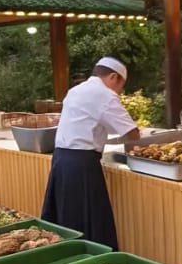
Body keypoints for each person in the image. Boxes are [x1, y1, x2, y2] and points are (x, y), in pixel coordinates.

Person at [41, 57, 140, 249]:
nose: (119, 92)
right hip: (81, 164)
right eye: (121, 86)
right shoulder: (105, 95)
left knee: (65, 218)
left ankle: (66, 258)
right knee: (88, 221)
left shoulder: (75, 91)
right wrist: (139, 134)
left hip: (61, 159)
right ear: (113, 77)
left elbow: (92, 121)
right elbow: (132, 134)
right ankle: (91, 260)